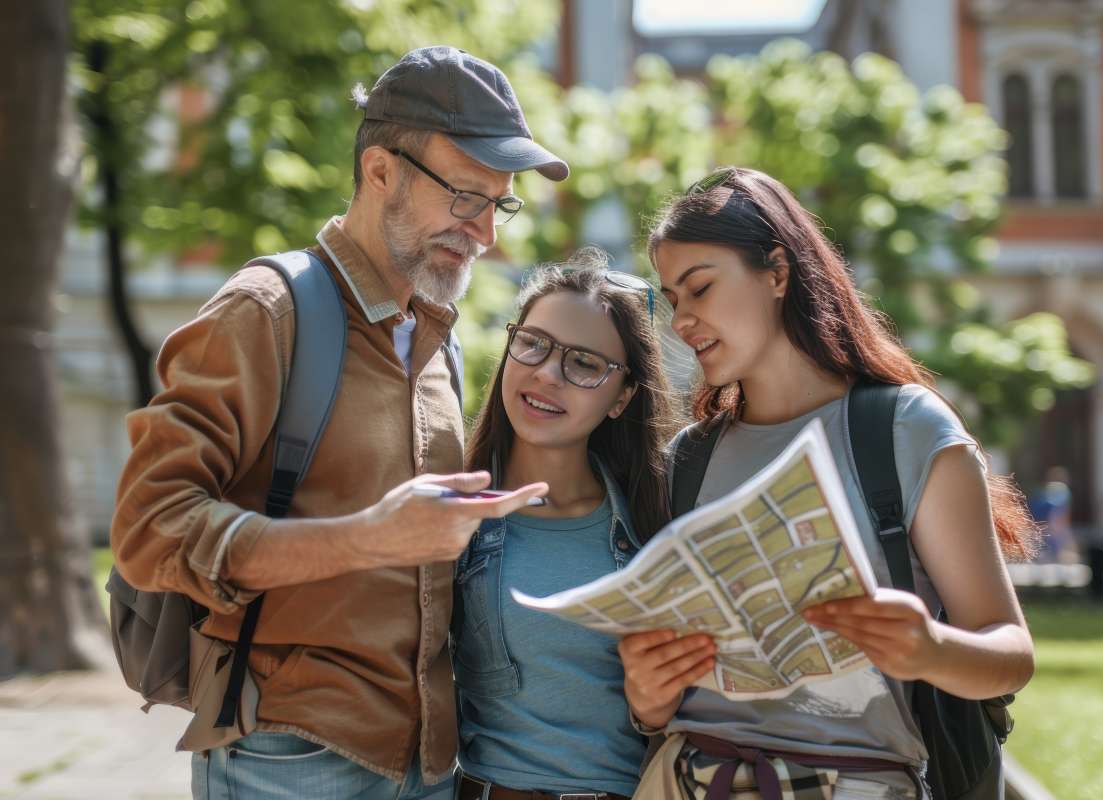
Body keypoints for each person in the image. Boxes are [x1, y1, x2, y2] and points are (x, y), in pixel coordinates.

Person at [110, 46, 565, 800]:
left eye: (499, 203)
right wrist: (370, 539)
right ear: (380, 170)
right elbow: (150, 529)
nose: (486, 231)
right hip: (288, 761)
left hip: (427, 764)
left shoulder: (438, 333)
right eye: (464, 197)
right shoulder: (267, 310)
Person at [618, 168, 1037, 799]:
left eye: (700, 288)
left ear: (777, 272)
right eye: (672, 299)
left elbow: (1010, 651)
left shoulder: (905, 429)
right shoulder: (688, 459)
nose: (682, 320)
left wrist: (931, 650)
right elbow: (663, 690)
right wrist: (646, 699)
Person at [444, 255, 677, 800]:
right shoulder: (448, 509)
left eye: (585, 364)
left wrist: (655, 710)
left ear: (622, 398)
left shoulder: (658, 525)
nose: (548, 373)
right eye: (534, 343)